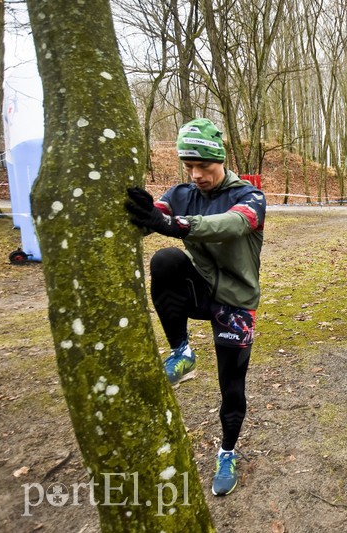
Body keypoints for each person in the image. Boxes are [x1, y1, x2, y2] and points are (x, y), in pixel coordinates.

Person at [124, 118, 266, 496]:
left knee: (231, 386)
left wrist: (173, 224)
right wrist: (139, 210)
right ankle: (182, 351)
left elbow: (229, 226)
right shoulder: (181, 192)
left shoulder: (250, 197)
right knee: (166, 260)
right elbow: (153, 214)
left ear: (221, 160)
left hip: (235, 303)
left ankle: (227, 452)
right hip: (201, 291)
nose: (197, 174)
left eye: (204, 165)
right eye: (190, 166)